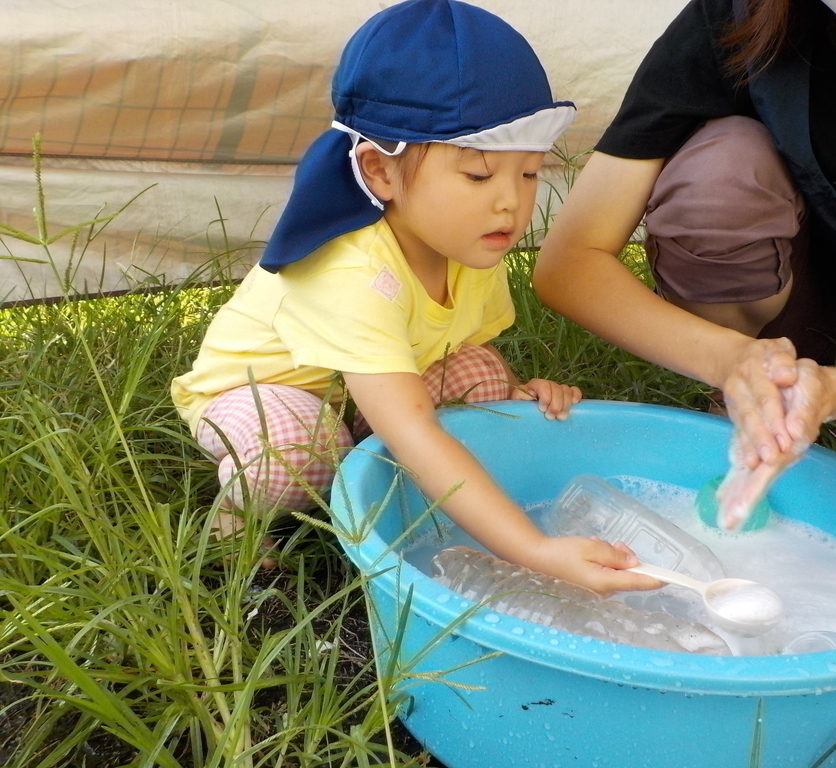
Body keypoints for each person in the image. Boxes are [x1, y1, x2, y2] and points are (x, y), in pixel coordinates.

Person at [171, 0, 659, 592]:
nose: (511, 201)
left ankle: (372, 466)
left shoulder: (470, 239)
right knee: (303, 451)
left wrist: (513, 391)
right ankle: (234, 522)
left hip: (363, 389)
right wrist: (533, 548)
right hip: (265, 391)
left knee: (481, 374)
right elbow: (415, 428)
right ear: (379, 172)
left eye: (528, 173)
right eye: (479, 175)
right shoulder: (350, 269)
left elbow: (460, 346)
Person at [534, 0, 836, 517]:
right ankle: (750, 400)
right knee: (719, 177)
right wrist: (730, 359)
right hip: (781, 317)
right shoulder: (739, 14)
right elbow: (571, 260)